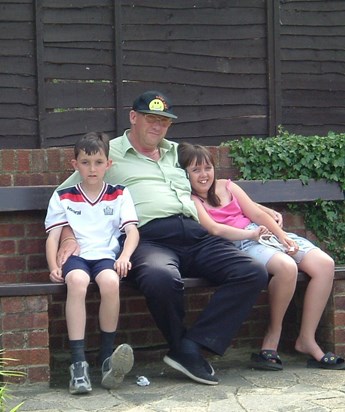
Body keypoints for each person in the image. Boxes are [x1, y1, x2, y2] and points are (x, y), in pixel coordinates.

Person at [56, 91, 269, 386]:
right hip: (149, 238)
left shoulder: (175, 153)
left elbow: (211, 184)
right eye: (150, 119)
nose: (157, 126)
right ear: (133, 117)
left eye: (164, 122)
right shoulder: (109, 153)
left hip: (196, 235)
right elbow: (65, 197)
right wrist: (67, 236)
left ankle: (191, 347)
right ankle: (182, 346)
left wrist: (259, 211)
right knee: (160, 277)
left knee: (252, 271)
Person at [177, 142, 345, 371]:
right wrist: (251, 234)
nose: (204, 175)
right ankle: (271, 341)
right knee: (287, 266)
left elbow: (255, 212)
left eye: (207, 168)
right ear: (185, 174)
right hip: (240, 243)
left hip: (263, 234)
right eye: (195, 170)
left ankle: (306, 339)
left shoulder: (228, 186)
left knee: (325, 264)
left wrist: (283, 237)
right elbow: (215, 229)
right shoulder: (191, 200)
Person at [45, 132, 140, 394]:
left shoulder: (119, 193)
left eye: (98, 162)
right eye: (85, 162)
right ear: (75, 164)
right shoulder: (63, 196)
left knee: (111, 282)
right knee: (77, 281)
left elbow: (132, 231)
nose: (92, 168)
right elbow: (54, 235)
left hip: (106, 257)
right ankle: (78, 363)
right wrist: (54, 264)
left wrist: (124, 257)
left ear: (108, 165)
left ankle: (107, 359)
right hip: (76, 257)